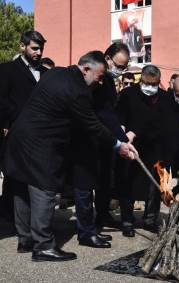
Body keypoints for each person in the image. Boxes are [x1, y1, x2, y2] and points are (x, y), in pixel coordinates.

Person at [3, 51, 138, 261]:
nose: (101, 82)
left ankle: (26, 239)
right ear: (86, 69)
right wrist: (118, 144)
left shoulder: (55, 73)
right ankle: (43, 246)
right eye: (99, 76)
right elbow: (92, 124)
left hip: (20, 136)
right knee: (44, 190)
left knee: (21, 186)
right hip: (41, 144)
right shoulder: (77, 91)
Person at [70, 43, 131, 248]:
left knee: (104, 181)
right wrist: (120, 139)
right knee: (84, 186)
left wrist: (122, 139)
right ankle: (86, 231)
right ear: (107, 58)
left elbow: (110, 113)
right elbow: (100, 113)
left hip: (105, 140)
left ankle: (100, 219)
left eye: (124, 67)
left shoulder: (109, 82)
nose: (120, 71)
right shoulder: (90, 79)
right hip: (86, 138)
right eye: (118, 65)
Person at [0, 30, 47, 222]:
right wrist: (19, 120)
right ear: (22, 46)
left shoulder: (46, 73)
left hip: (41, 137)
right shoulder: (6, 70)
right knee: (15, 178)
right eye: (34, 48)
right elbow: (2, 101)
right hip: (17, 133)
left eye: (41, 49)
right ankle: (9, 216)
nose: (38, 53)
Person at [117, 65, 167, 237]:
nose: (149, 87)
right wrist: (123, 138)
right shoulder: (128, 94)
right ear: (141, 80)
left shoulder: (165, 98)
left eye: (154, 84)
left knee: (155, 186)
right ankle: (127, 220)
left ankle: (150, 219)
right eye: (146, 83)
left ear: (159, 82)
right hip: (132, 147)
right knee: (127, 183)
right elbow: (120, 118)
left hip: (156, 149)